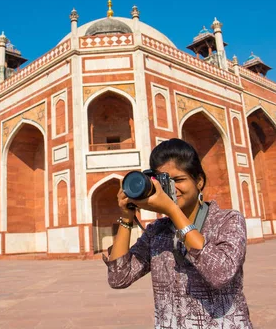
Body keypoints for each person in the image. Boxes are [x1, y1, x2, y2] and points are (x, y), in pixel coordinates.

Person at [105, 138, 252, 328]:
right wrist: (126, 217)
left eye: (179, 180)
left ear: (199, 181)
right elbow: (119, 278)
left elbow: (220, 273)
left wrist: (173, 211)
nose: (173, 188)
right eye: (166, 182)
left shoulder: (228, 220)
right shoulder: (157, 231)